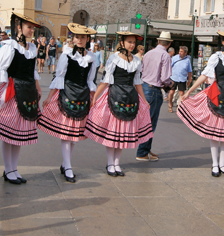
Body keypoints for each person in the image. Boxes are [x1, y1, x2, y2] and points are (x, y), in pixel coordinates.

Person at [179, 31, 224, 177]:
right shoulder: (216, 57)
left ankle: (223, 165)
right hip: (217, 95)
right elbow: (205, 75)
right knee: (214, 133)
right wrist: (189, 91)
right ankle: (215, 164)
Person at [84, 32, 153, 176]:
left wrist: (145, 100)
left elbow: (137, 82)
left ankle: (117, 164)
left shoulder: (136, 60)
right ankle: (110, 164)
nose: (132, 45)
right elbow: (106, 80)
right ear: (122, 43)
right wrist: (95, 97)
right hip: (114, 96)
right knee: (113, 133)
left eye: (133, 42)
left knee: (123, 133)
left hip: (130, 97)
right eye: (129, 42)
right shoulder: (114, 58)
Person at [0, 13, 42, 184]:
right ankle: (8, 169)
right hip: (12, 91)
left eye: (32, 27)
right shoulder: (10, 46)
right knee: (9, 133)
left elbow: (32, 72)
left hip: (28, 90)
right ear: (19, 27)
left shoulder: (32, 48)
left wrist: (38, 89)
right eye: (29, 27)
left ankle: (14, 168)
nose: (32, 30)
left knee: (19, 134)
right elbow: (1, 69)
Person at [39, 24, 97, 182]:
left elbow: (90, 80)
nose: (79, 39)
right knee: (66, 134)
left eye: (83, 37)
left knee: (74, 135)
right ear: (73, 38)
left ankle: (66, 164)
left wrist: (94, 100)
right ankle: (68, 166)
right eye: (77, 36)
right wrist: (49, 97)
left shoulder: (92, 58)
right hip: (67, 95)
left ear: (87, 39)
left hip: (82, 97)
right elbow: (59, 77)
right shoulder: (66, 55)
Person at [136, 31, 173, 162]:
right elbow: (165, 78)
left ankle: (145, 149)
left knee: (145, 120)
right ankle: (142, 152)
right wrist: (169, 83)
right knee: (151, 123)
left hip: (144, 86)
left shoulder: (148, 53)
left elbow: (141, 70)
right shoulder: (165, 56)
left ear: (158, 41)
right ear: (168, 44)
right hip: (154, 89)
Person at [168, 46, 193, 113]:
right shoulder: (174, 58)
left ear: (185, 53)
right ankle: (170, 104)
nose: (180, 53)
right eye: (179, 51)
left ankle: (178, 107)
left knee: (181, 93)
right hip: (173, 78)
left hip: (182, 79)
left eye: (181, 51)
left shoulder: (187, 60)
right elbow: (169, 67)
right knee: (171, 92)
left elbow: (189, 71)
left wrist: (190, 80)